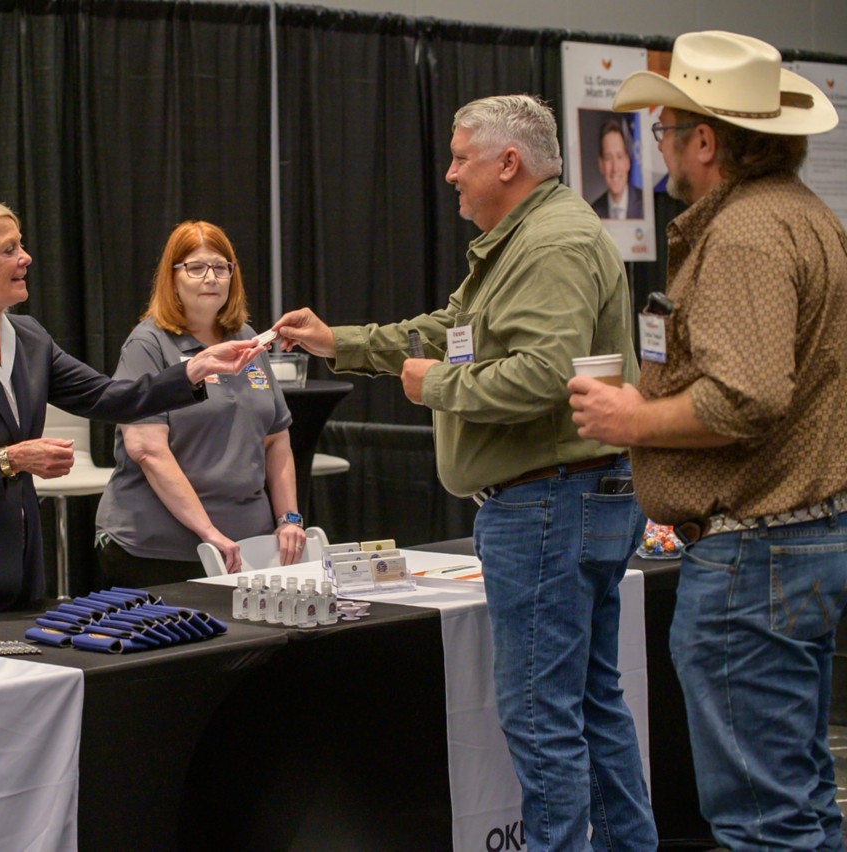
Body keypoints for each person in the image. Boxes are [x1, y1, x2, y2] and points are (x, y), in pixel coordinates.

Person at [273, 94, 656, 849]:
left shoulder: (550, 245)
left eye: (459, 158)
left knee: (542, 715)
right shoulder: (525, 238)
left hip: (549, 503)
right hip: (564, 499)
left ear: (508, 163)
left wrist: (436, 386)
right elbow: (450, 332)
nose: (449, 174)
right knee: (587, 702)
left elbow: (543, 375)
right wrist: (340, 342)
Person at [569, 30, 846, 849]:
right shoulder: (804, 216)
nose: (658, 146)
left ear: (705, 141)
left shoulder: (745, 235)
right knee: (799, 803)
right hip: (795, 545)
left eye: (664, 130)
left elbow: (745, 395)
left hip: (752, 559)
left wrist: (633, 419)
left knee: (764, 820)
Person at [0, 194, 262, 619]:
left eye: (21, 245)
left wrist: (193, 370)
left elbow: (108, 397)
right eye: (8, 249)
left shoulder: (28, 337)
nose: (26, 258)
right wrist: (10, 460)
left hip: (13, 578)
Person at [94, 221, 305, 583]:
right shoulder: (148, 344)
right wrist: (209, 533)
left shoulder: (247, 338)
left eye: (221, 267)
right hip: (159, 549)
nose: (211, 278)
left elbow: (276, 439)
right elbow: (148, 451)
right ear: (172, 277)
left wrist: (289, 519)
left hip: (248, 547)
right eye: (196, 267)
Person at [590, 117, 644, 219]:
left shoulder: (647, 205)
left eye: (619, 156)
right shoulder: (592, 213)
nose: (615, 168)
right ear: (601, 165)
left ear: (628, 162)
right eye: (608, 158)